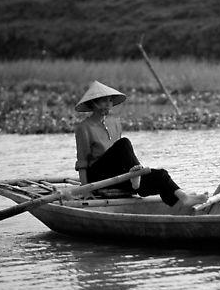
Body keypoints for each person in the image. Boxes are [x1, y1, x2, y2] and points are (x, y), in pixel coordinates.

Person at [74, 80, 209, 210]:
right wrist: (86, 191)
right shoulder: (84, 128)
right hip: (97, 176)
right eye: (104, 100)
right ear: (95, 104)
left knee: (161, 174)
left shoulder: (114, 123)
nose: (109, 104)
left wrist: (133, 172)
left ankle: (183, 197)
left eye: (110, 100)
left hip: (117, 174)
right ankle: (136, 176)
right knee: (124, 143)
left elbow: (123, 157)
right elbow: (82, 163)